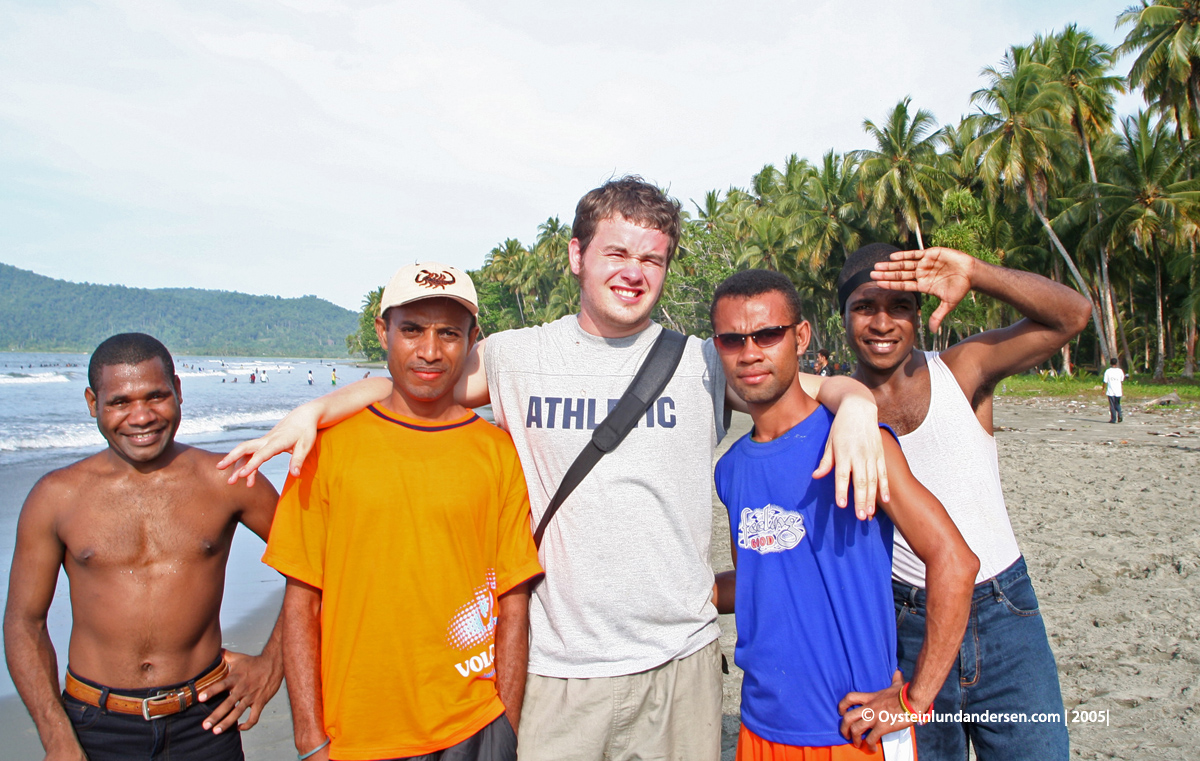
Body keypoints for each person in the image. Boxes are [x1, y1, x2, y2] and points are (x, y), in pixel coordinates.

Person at [221, 177, 888, 761]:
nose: (634, 272)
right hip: (557, 665)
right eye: (617, 253)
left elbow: (796, 386)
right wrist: (315, 409)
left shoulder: (702, 361)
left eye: (652, 258)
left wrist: (854, 401)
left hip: (678, 664)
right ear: (577, 255)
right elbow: (417, 381)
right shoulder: (518, 356)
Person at [264, 263, 541, 761]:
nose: (430, 351)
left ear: (472, 339)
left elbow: (513, 601)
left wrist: (507, 724)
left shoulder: (497, 452)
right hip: (355, 736)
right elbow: (301, 602)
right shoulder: (325, 450)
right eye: (411, 330)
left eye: (448, 333)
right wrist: (308, 740)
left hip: (473, 727)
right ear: (383, 332)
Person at [708, 270, 978, 760]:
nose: (750, 353)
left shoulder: (854, 440)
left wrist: (915, 699)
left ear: (801, 336)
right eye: (733, 339)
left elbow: (955, 561)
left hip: (857, 733)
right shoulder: (730, 470)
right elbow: (759, 576)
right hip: (760, 727)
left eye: (768, 334)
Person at [839, 243, 1092, 760]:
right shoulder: (836, 408)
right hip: (905, 621)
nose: (882, 323)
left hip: (1003, 612)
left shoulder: (964, 370)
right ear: (841, 316)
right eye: (865, 307)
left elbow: (1073, 316)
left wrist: (975, 273)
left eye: (900, 307)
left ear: (918, 316)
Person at [3, 333, 284, 761]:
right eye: (120, 402)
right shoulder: (56, 497)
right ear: (92, 403)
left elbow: (316, 569)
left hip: (204, 721)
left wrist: (273, 663)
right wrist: (56, 735)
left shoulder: (229, 480)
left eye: (156, 396)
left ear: (178, 391)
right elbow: (24, 623)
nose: (141, 417)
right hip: (95, 725)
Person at [1103, 358, 1125, 423]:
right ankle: (1120, 414)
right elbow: (1121, 381)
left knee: (1112, 405)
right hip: (1118, 390)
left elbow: (1105, 381)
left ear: (1110, 363)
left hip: (1110, 391)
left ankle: (1113, 419)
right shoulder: (1120, 371)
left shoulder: (1108, 371)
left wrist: (1103, 389)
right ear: (1116, 363)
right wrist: (1122, 389)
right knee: (1117, 404)